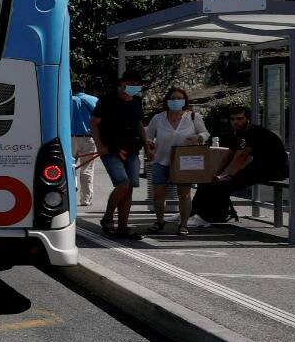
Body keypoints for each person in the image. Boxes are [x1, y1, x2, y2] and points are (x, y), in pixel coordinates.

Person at [189, 106, 288, 229]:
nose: (235, 122)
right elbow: (229, 155)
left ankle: (208, 217)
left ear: (248, 119)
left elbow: (243, 156)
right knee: (209, 182)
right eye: (233, 119)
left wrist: (230, 176)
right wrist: (215, 174)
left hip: (274, 169)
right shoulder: (238, 133)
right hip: (259, 166)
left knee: (223, 185)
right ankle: (191, 213)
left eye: (240, 118)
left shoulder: (254, 132)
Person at [142, 85, 206, 235]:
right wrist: (149, 145)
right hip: (160, 160)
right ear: (167, 101)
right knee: (158, 193)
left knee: (184, 194)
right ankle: (159, 221)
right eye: (172, 98)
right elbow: (148, 136)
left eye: (179, 98)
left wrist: (199, 137)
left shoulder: (193, 117)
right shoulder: (158, 118)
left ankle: (183, 224)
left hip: (184, 161)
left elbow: (205, 133)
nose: (176, 101)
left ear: (185, 100)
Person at [91, 77, 146, 237]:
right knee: (123, 183)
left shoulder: (136, 101)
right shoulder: (107, 100)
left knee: (128, 189)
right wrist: (99, 145)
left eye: (137, 84)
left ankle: (123, 227)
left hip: (132, 149)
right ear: (121, 84)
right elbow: (94, 123)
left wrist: (146, 143)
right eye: (131, 83)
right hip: (110, 150)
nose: (134, 86)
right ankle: (108, 217)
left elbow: (139, 124)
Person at [69, 89, 100, 209]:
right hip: (88, 138)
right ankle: (85, 200)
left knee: (70, 167)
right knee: (87, 168)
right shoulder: (93, 100)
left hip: (70, 138)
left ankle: (71, 194)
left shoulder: (67, 100)